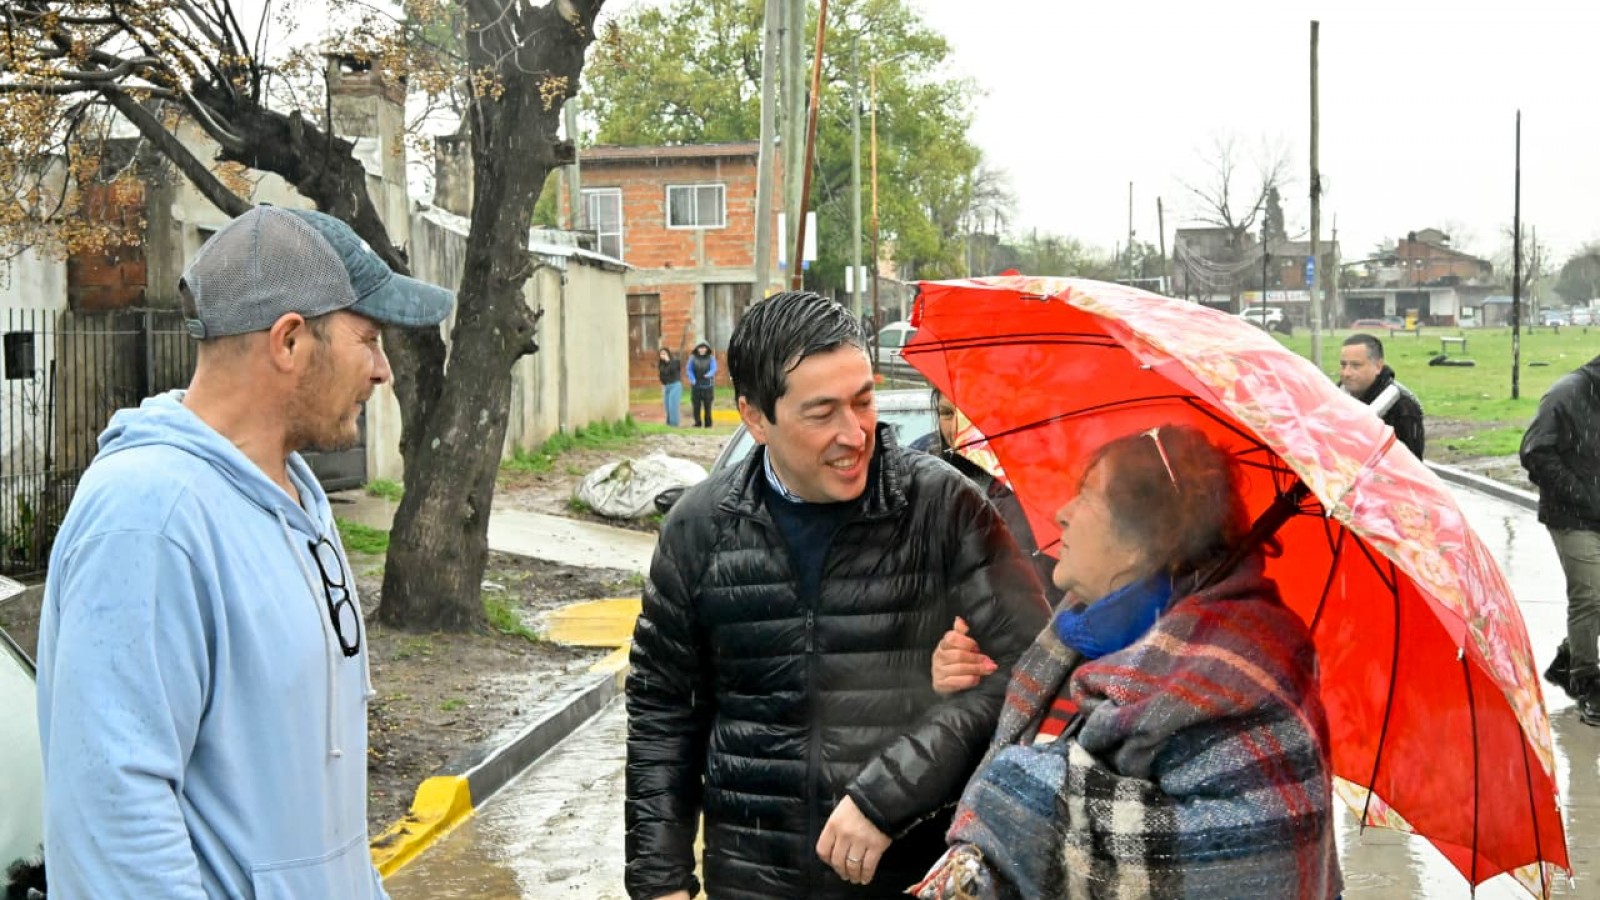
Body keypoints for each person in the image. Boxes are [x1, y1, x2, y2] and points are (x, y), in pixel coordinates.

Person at [35, 205, 454, 898]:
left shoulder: (295, 502)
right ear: (290, 341)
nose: (382, 370)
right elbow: (115, 821)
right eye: (369, 338)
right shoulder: (149, 518)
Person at [624, 291, 1050, 900]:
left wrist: (887, 797)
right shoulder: (699, 529)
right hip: (751, 879)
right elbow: (662, 709)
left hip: (912, 874)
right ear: (755, 417)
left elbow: (1032, 675)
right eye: (822, 413)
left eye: (864, 401)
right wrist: (659, 880)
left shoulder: (943, 507)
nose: (855, 434)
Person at [917, 426, 1341, 899]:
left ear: (1146, 540)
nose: (1061, 515)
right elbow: (1038, 744)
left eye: (1086, 499)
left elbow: (1261, 858)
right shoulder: (1077, 627)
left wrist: (1024, 799)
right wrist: (964, 684)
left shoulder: (1237, 670)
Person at [915, 389, 1060, 607]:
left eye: (966, 415)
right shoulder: (930, 482)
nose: (955, 428)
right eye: (946, 413)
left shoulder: (1027, 487)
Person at [1520, 353, 1600, 725]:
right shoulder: (1567, 394)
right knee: (1590, 595)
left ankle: (1568, 657)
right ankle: (1589, 682)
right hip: (1573, 516)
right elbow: (1535, 453)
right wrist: (1586, 498)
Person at [1339, 333, 1425, 458]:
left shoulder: (1403, 407)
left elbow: (1410, 466)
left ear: (1378, 366)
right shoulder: (1336, 395)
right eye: (1343, 365)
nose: (1346, 373)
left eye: (1356, 366)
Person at [685, 340, 717, 427]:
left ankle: (708, 424)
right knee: (696, 406)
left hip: (708, 386)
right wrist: (692, 379)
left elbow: (714, 368)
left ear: (707, 349)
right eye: (700, 348)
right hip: (696, 386)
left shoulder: (711, 358)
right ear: (697, 349)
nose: (702, 349)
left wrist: (709, 374)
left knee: (708, 407)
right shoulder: (692, 358)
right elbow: (689, 369)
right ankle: (697, 422)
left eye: (704, 348)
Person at [657, 346, 683, 427]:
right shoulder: (661, 365)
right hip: (666, 386)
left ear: (668, 354)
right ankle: (669, 424)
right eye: (661, 354)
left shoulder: (675, 362)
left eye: (664, 353)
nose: (663, 355)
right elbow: (662, 377)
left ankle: (674, 424)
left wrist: (668, 360)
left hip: (675, 385)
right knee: (667, 406)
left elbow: (674, 369)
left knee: (673, 405)